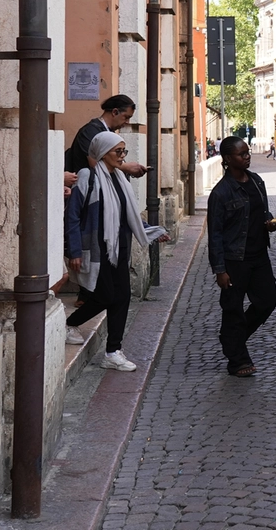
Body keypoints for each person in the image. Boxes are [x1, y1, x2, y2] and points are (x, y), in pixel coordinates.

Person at [64, 131, 170, 371]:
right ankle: (71, 323)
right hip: (96, 248)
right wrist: (75, 251)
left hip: (119, 246)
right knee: (104, 296)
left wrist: (152, 231)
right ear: (102, 152)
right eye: (118, 151)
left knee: (122, 297)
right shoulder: (86, 177)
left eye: (124, 151)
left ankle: (113, 351)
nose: (122, 156)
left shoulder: (120, 179)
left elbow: (128, 214)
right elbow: (72, 216)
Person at [207, 137, 276, 377]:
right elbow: (215, 233)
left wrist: (269, 223)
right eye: (242, 154)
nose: (247, 157)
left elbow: (261, 212)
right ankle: (237, 359)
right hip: (234, 260)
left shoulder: (257, 181)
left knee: (267, 301)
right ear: (228, 159)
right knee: (233, 310)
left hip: (259, 256)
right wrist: (220, 270)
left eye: (248, 153)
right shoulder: (221, 193)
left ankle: (232, 340)